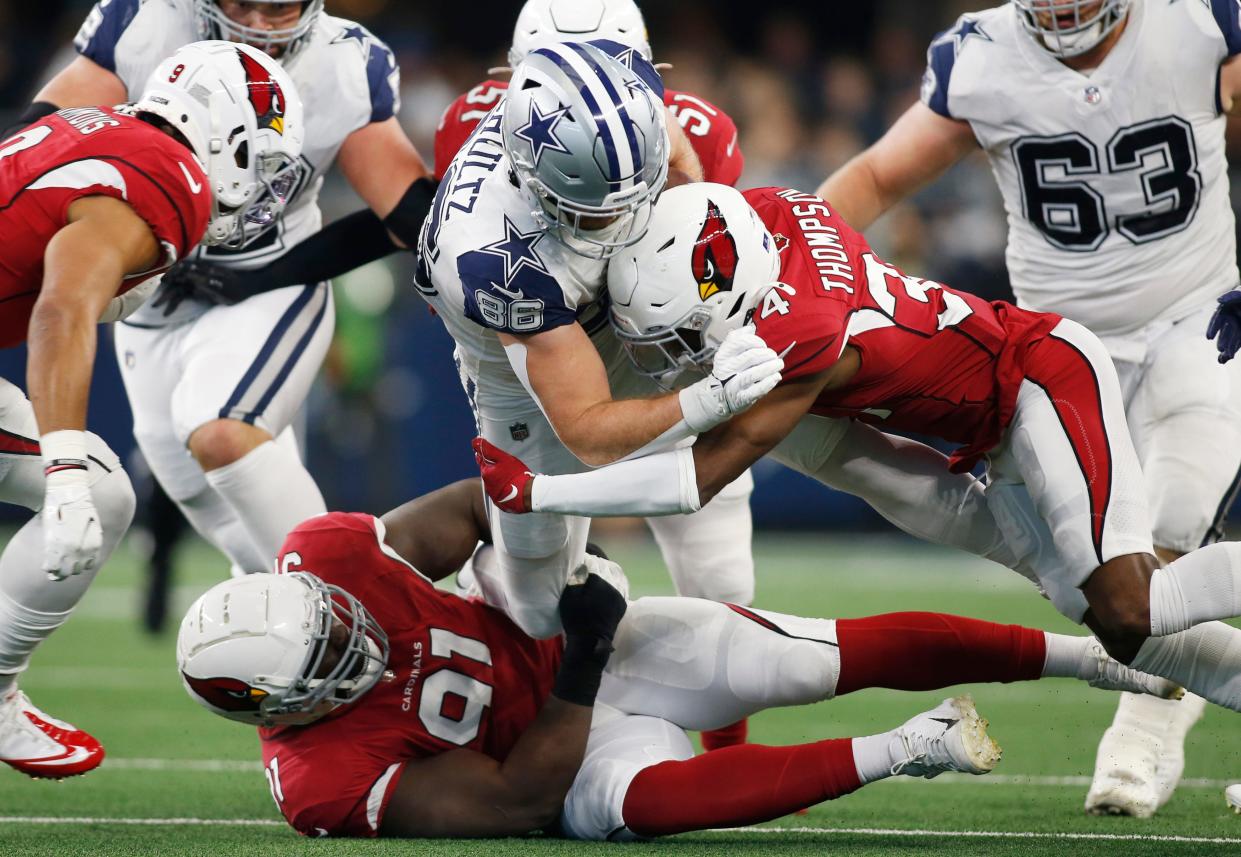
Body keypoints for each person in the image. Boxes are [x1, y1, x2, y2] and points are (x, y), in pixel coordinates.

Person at [474, 181, 1241, 721]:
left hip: (1039, 376)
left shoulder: (799, 334)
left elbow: (693, 479)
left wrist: (543, 493)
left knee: (1132, 603)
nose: (674, 357)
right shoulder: (763, 215)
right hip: (992, 421)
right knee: (1111, 624)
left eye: (680, 339)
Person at [175, 478, 1173, 840]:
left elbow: (484, 503)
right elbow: (517, 799)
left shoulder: (333, 554)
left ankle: (1088, 660)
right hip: (561, 741)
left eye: (335, 616)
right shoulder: (322, 778)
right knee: (633, 808)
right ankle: (907, 746)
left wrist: (567, 559)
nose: (355, 630)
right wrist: (579, 666)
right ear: (289, 705)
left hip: (561, 639)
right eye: (334, 652)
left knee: (813, 654)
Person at [815, 0, 1241, 816]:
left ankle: (1141, 731)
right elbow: (873, 177)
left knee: (1171, 528)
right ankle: (1155, 709)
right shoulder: (980, 55)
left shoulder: (1199, 22)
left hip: (1197, 315)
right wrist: (799, 264)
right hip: (1058, 352)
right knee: (1101, 589)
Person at [434, 0, 754, 752]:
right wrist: (712, 396)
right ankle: (479, 589)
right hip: (531, 364)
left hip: (651, 333)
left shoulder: (673, 126)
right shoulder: (484, 247)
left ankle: (729, 759)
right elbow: (586, 428)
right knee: (539, 604)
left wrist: (687, 180)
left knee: (723, 579)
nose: (616, 219)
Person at [25, 0, 434, 578]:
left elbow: (409, 215)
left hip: (269, 277)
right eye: (243, 5)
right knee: (218, 514)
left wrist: (256, 278)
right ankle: (311, 627)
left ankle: (365, 604)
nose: (258, 26)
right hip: (153, 296)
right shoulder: (149, 23)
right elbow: (39, 139)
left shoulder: (339, 59)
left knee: (219, 430)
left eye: (277, 9)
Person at [0, 40, 303, 778]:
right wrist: (64, 469)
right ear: (226, 135)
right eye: (259, 155)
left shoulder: (91, 127)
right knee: (93, 490)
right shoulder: (163, 176)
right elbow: (63, 307)